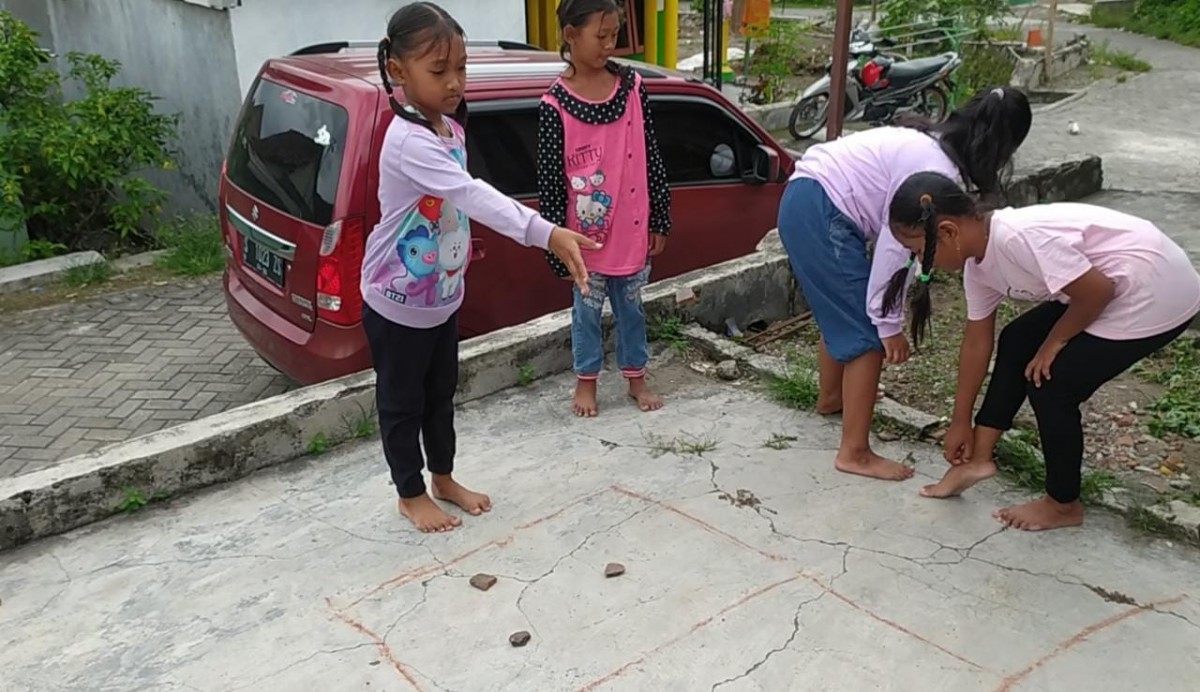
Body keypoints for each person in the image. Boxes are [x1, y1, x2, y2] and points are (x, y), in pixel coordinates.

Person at [363, 2, 599, 533]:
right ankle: (410, 494)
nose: (454, 82)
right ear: (398, 71)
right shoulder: (408, 141)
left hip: (440, 298)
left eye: (461, 68)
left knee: (439, 397)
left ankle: (443, 478)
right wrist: (546, 231)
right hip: (396, 301)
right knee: (402, 404)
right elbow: (470, 195)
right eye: (439, 70)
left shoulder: (448, 129)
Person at [886, 171, 1200, 531]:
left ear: (947, 232)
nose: (920, 263)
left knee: (1051, 384)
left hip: (1156, 290)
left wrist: (1055, 341)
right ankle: (978, 461)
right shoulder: (978, 266)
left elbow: (1097, 292)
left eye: (918, 251)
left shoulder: (1017, 238)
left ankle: (1063, 504)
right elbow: (976, 343)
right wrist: (961, 421)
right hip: (1108, 284)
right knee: (1018, 340)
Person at [775, 86, 1032, 481]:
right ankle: (855, 452)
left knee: (843, 309)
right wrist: (888, 324)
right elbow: (897, 249)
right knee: (867, 334)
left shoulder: (926, 143)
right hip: (821, 207)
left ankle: (832, 397)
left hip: (805, 197)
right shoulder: (936, 176)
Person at [537, 0, 673, 418]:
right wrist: (555, 248)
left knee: (632, 308)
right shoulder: (554, 104)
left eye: (615, 35)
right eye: (601, 36)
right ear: (570, 35)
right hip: (584, 237)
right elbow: (550, 182)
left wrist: (659, 216)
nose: (610, 45)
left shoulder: (632, 87)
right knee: (586, 312)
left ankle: (636, 378)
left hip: (631, 226)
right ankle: (586, 381)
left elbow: (651, 154)